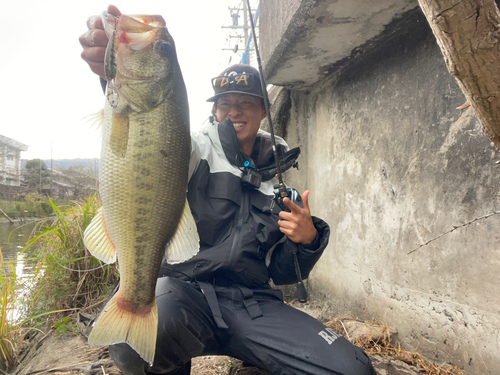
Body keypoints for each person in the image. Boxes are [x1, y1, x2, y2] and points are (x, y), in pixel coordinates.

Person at [79, 6, 376, 375]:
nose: (234, 112)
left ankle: (253, 360)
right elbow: (150, 144)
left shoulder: (282, 181)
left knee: (353, 370)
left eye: (245, 103)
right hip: (185, 295)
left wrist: (307, 240)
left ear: (263, 111)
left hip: (255, 305)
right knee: (134, 344)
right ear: (216, 111)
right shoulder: (194, 150)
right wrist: (111, 73)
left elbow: (283, 273)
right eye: (225, 104)